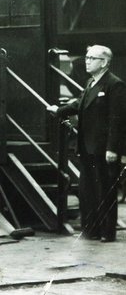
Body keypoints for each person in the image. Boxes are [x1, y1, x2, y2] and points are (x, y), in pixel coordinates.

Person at [47, 45, 126, 242]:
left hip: (103, 149)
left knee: (105, 191)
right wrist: (59, 110)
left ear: (104, 62)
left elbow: (117, 120)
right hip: (87, 146)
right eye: (87, 57)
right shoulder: (91, 82)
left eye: (92, 58)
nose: (87, 61)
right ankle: (92, 230)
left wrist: (112, 148)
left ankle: (107, 232)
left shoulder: (114, 85)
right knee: (88, 191)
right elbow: (78, 104)